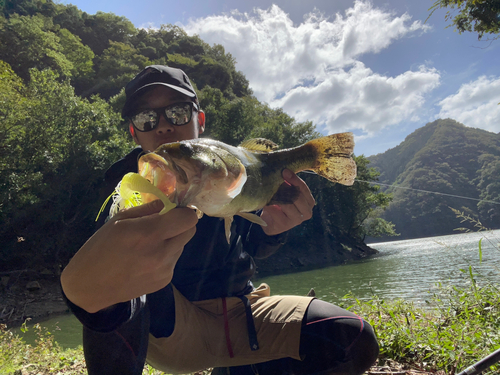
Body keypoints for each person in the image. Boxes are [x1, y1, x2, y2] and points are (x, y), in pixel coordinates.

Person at [61, 65, 379, 375]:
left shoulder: (226, 168)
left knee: (355, 338)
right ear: (134, 131)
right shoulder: (123, 186)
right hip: (171, 328)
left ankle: (236, 369)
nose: (162, 126)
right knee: (119, 273)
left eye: (177, 113)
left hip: (241, 312)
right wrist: (88, 290)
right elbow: (98, 272)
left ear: (199, 119)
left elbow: (251, 246)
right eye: (146, 118)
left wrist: (274, 231)